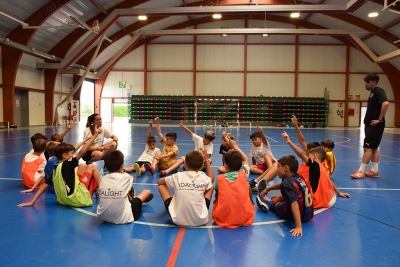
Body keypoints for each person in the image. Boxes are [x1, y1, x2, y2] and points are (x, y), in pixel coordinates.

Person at [17, 126, 102, 208]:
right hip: (79, 199)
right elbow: (82, 151)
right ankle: (103, 191)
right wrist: (94, 136)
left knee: (82, 165)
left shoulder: (56, 168)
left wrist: (32, 201)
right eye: (71, 153)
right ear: (64, 155)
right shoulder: (68, 164)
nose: (73, 155)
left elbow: (44, 186)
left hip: (64, 201)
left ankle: (94, 188)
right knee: (91, 166)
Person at [256, 155, 314, 237]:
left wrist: (298, 227)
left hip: (294, 215)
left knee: (277, 204)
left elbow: (294, 204)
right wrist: (268, 189)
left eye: (278, 167)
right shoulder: (298, 176)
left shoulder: (287, 183)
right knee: (278, 196)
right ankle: (272, 200)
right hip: (309, 214)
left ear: (285, 168)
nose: (277, 170)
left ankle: (270, 204)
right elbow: (282, 185)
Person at [158, 150, 214, 227]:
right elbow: (211, 178)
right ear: (201, 166)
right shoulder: (204, 178)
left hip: (178, 220)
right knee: (211, 186)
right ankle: (197, 210)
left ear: (185, 164)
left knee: (162, 186)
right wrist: (207, 161)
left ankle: (175, 206)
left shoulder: (178, 176)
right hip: (200, 220)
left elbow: (160, 182)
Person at [97, 150, 153, 224]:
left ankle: (132, 198)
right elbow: (131, 178)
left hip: (102, 216)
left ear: (106, 166)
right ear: (122, 165)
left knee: (123, 190)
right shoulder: (127, 178)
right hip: (124, 219)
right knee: (147, 192)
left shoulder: (102, 179)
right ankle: (134, 199)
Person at [351, 73, 389, 179]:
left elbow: (385, 103)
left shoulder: (378, 91)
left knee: (367, 148)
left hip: (375, 126)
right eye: (365, 82)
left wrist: (379, 119)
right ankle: (374, 171)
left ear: (374, 82)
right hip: (370, 125)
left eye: (368, 82)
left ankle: (361, 171)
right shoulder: (373, 93)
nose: (365, 84)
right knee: (373, 148)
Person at [212, 139, 254, 228]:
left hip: (222, 218)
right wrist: (235, 147)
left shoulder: (219, 178)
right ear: (240, 165)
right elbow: (246, 159)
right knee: (247, 185)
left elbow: (218, 192)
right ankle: (250, 202)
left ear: (225, 166)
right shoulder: (244, 174)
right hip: (244, 217)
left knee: (218, 191)